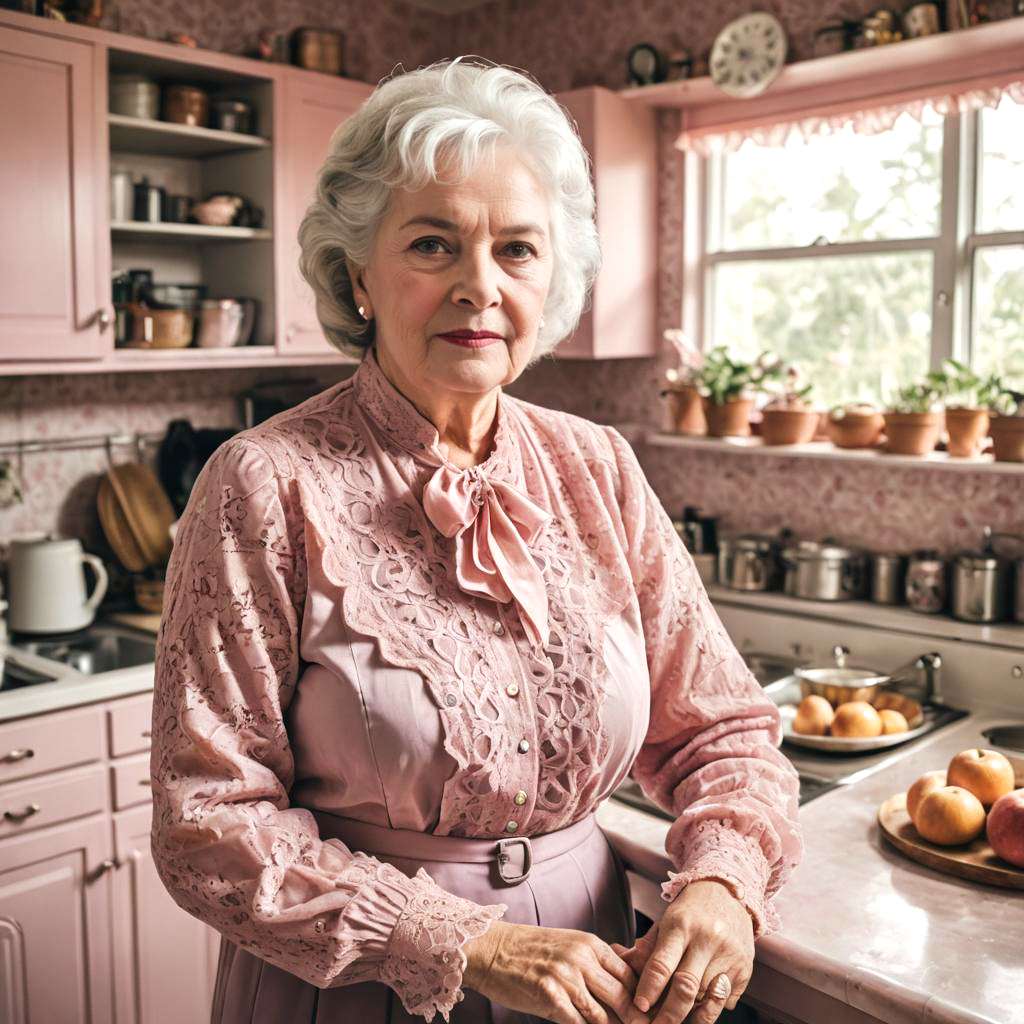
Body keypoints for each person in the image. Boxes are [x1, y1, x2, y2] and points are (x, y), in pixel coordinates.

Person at [150, 57, 802, 1024]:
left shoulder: (597, 466)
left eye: (518, 251)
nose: (479, 287)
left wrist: (720, 880)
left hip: (598, 976)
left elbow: (727, 730)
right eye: (431, 244)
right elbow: (205, 822)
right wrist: (466, 942)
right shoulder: (263, 482)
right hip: (360, 991)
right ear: (357, 274)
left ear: (556, 279)